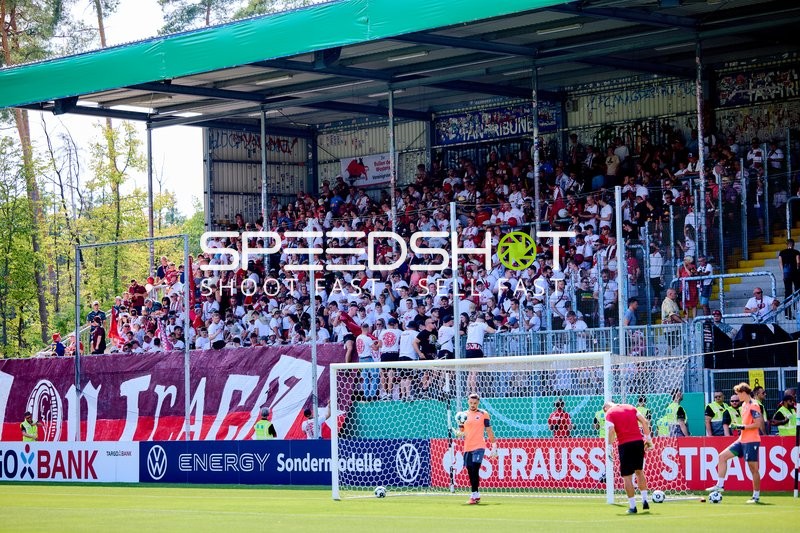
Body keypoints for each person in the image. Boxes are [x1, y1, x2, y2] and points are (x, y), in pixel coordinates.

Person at [707, 382, 763, 504]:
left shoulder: (754, 405)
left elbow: (758, 424)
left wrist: (741, 427)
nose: (737, 397)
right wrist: (739, 427)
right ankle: (720, 485)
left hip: (751, 440)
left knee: (753, 469)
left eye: (738, 394)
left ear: (744, 393)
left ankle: (756, 496)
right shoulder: (743, 406)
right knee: (722, 457)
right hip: (742, 440)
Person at [603, 401, 654, 514]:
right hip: (638, 442)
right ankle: (645, 500)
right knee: (639, 472)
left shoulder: (610, 413)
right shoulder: (631, 407)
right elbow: (644, 421)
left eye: (604, 410)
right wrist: (649, 440)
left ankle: (632, 506)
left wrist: (609, 447)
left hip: (625, 444)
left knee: (627, 477)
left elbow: (611, 431)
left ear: (606, 407)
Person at [456, 393, 497, 505]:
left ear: (478, 403)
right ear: (468, 402)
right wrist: (458, 433)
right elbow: (462, 431)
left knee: (475, 468)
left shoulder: (484, 414)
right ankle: (476, 494)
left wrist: (494, 445)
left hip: (479, 446)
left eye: (475, 403)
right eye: (471, 403)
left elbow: (488, 430)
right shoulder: (462, 415)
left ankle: (474, 495)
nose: (473, 405)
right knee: (470, 471)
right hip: (467, 447)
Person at [778, 239, 800, 318]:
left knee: (788, 292)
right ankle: (797, 309)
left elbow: (780, 263)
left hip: (786, 273)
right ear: (793, 244)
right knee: (797, 291)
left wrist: (783, 273)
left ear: (787, 244)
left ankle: (787, 313)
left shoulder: (782, 253)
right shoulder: (796, 252)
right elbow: (798, 262)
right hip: (795, 273)